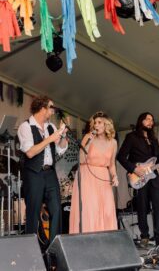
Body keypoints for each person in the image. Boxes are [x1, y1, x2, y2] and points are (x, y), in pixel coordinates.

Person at [17, 95, 68, 243]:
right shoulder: (25, 126)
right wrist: (50, 139)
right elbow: (30, 152)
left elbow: (59, 150)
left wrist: (62, 137)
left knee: (56, 210)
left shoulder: (50, 127)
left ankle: (54, 248)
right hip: (33, 174)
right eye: (51, 107)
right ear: (42, 108)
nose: (53, 111)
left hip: (50, 173)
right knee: (33, 211)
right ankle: (31, 248)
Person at [117, 112, 159, 247]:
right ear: (141, 121)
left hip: (154, 177)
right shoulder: (131, 137)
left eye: (152, 119)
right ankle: (144, 236)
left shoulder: (154, 139)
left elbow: (157, 159)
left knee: (158, 207)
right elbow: (120, 156)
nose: (151, 121)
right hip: (139, 176)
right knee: (142, 207)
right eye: (147, 119)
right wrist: (133, 169)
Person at [69, 111, 119, 234]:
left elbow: (111, 164)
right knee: (90, 209)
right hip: (87, 175)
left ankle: (105, 240)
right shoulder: (88, 137)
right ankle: (87, 239)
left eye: (99, 122)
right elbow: (81, 159)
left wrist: (115, 176)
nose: (96, 125)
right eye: (95, 123)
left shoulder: (113, 142)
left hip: (103, 177)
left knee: (106, 209)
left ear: (106, 125)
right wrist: (89, 142)